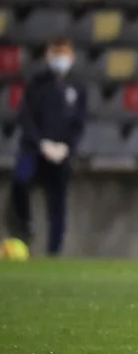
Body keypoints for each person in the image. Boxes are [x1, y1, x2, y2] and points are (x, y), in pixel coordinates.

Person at [6, 37, 86, 257]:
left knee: (57, 203)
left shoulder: (77, 87)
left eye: (64, 54)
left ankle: (54, 251)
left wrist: (66, 147)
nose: (60, 58)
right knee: (20, 181)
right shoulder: (36, 84)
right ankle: (25, 225)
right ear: (48, 55)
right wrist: (41, 143)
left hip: (60, 153)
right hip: (34, 148)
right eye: (56, 53)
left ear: (71, 57)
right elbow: (26, 117)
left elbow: (78, 123)